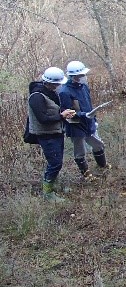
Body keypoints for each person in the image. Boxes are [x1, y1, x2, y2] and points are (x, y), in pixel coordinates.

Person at [27, 67, 77, 202]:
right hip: (46, 135)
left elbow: (54, 110)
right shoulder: (37, 96)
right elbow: (42, 119)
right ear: (51, 83)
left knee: (57, 161)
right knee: (55, 163)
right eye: (57, 83)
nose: (59, 86)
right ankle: (47, 192)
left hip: (56, 132)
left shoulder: (50, 92)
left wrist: (64, 113)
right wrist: (62, 116)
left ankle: (54, 185)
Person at [59, 60, 112, 180]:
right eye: (81, 75)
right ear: (73, 76)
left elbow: (89, 104)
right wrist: (83, 115)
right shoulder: (64, 92)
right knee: (80, 151)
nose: (84, 77)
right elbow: (67, 113)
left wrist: (94, 119)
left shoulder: (84, 87)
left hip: (89, 123)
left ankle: (102, 165)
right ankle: (86, 174)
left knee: (98, 145)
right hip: (76, 127)